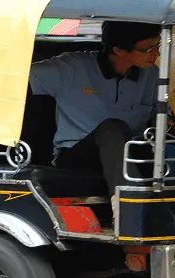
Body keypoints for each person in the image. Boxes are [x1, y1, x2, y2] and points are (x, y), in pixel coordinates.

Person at [29, 21, 161, 195]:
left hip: (131, 155)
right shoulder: (70, 68)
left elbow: (157, 119)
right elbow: (15, 76)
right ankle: (130, 205)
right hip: (78, 158)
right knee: (113, 127)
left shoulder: (152, 74)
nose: (157, 54)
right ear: (119, 50)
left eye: (157, 45)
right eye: (148, 49)